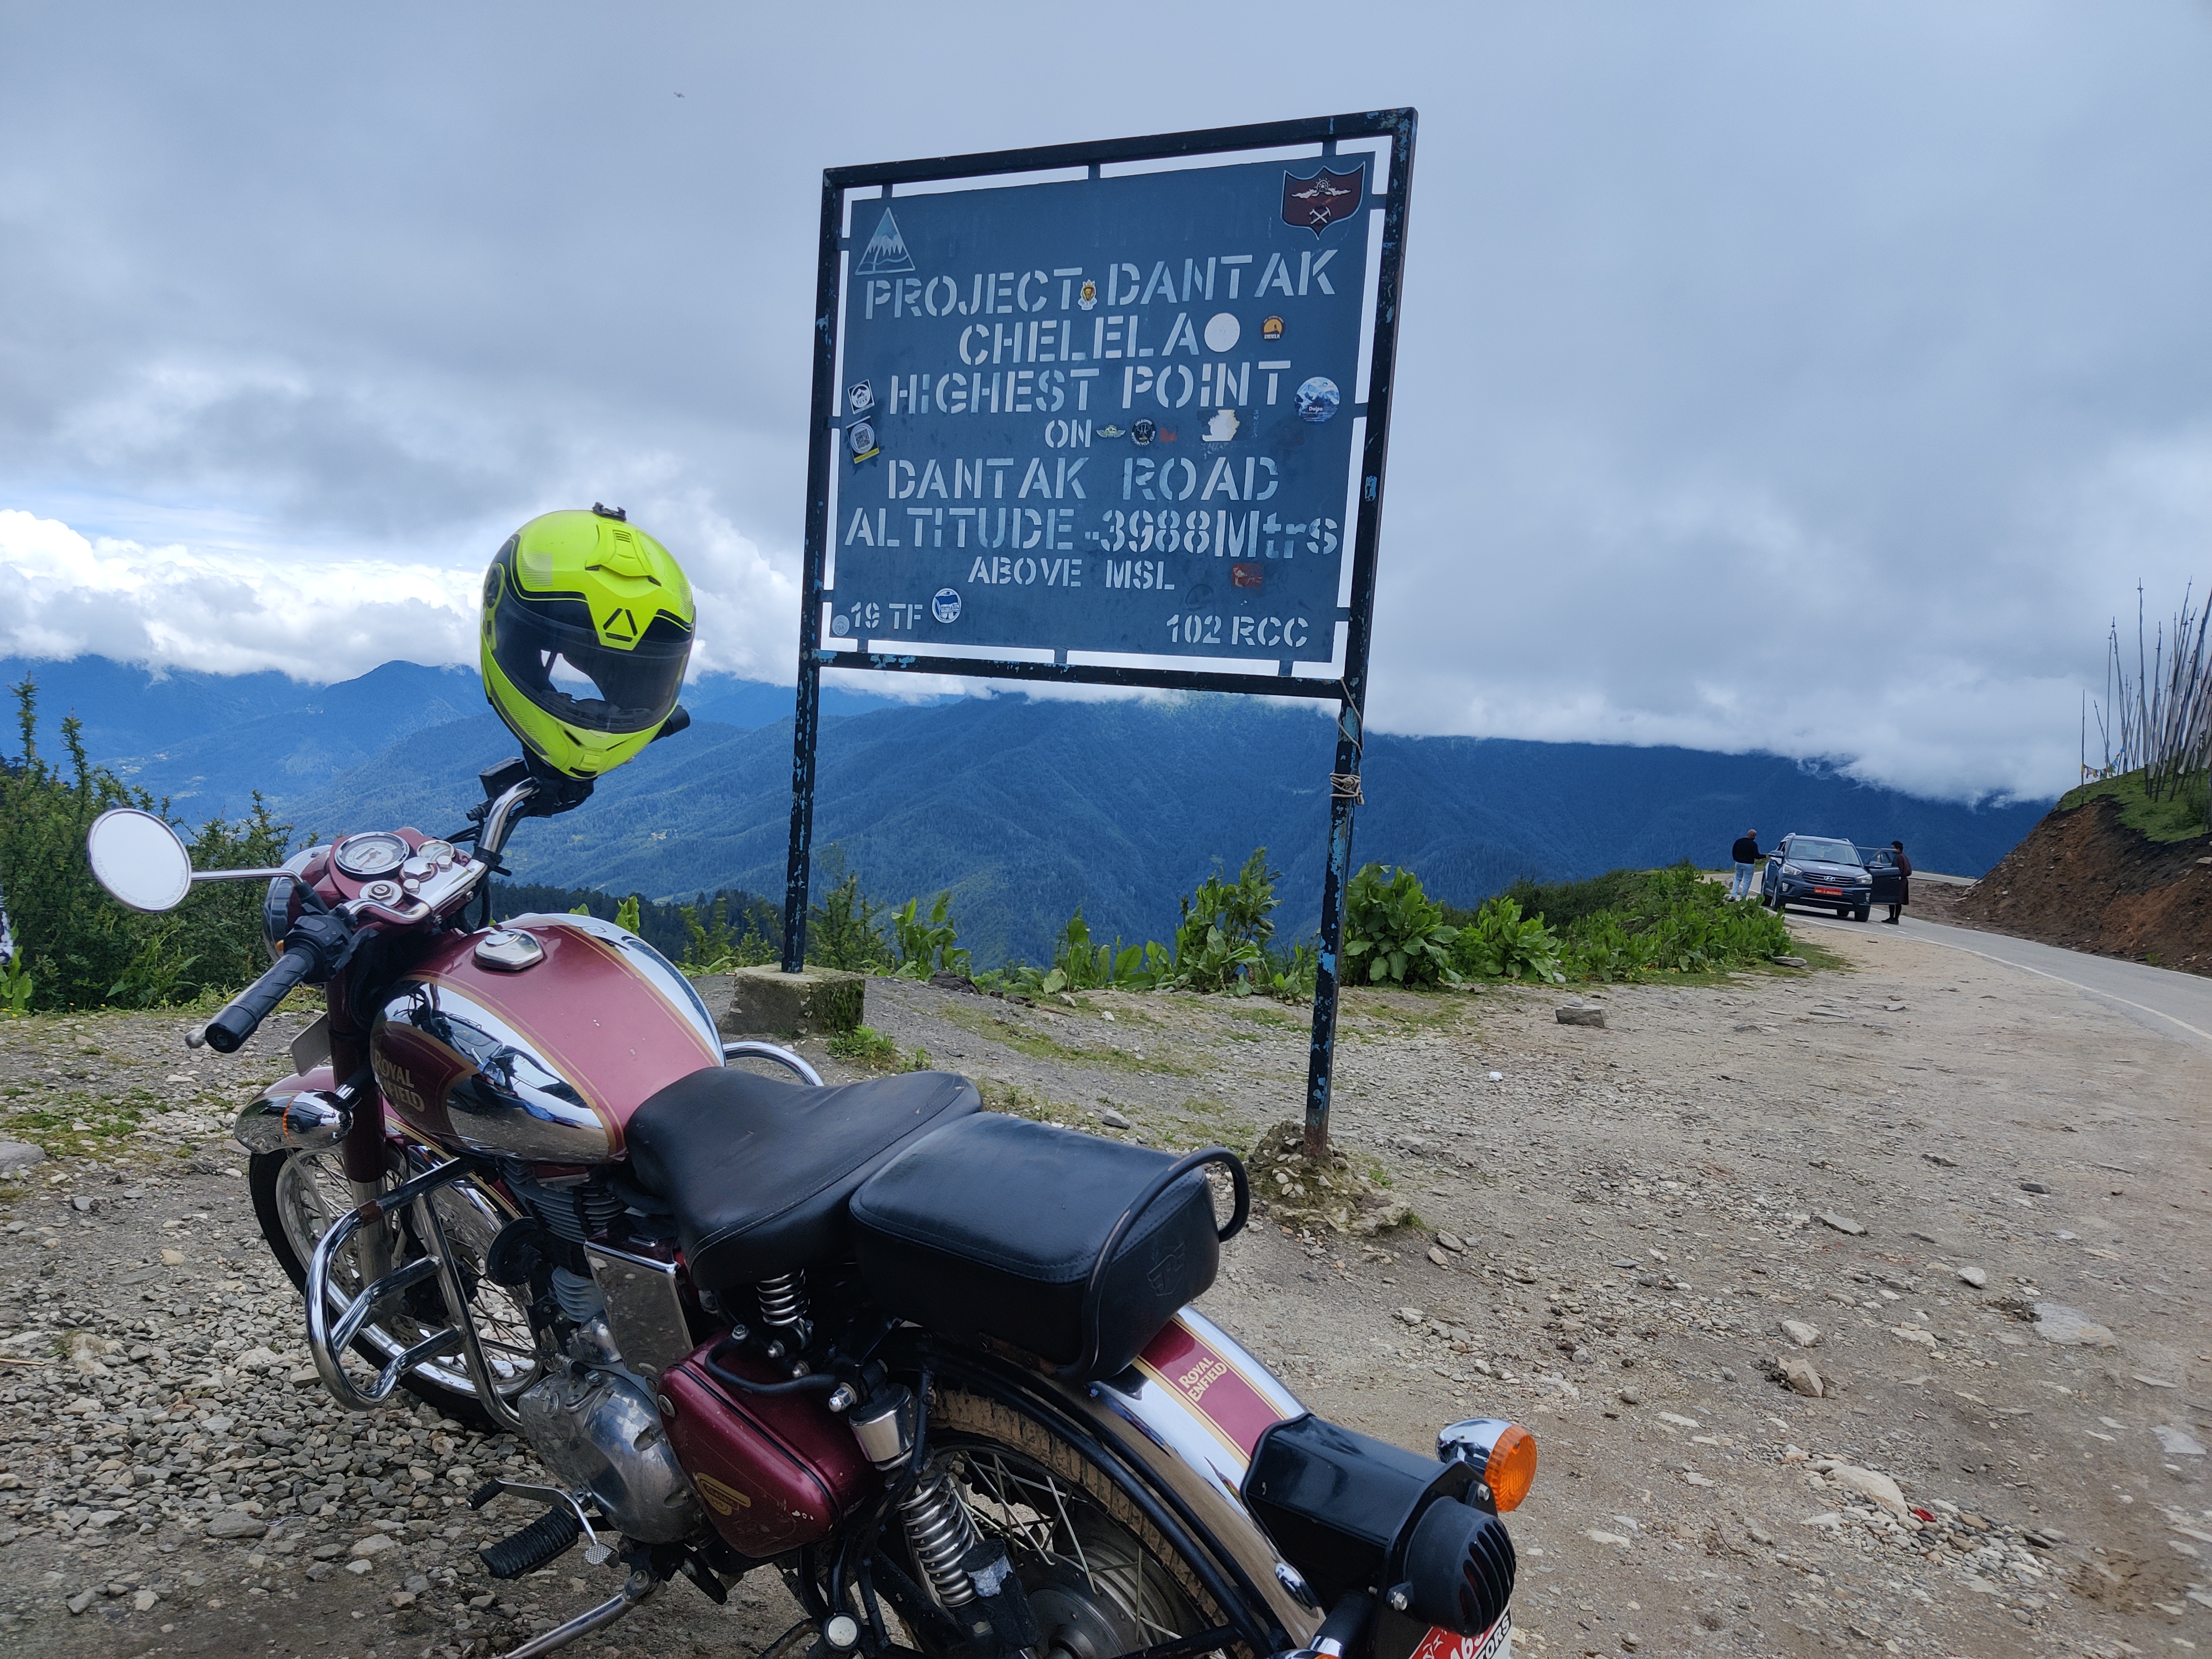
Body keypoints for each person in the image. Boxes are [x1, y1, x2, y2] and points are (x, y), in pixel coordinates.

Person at [1728, 829, 1761, 901]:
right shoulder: (1753, 844)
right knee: (1747, 881)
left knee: (1737, 879)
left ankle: (1733, 895)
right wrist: (1765, 856)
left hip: (1739, 863)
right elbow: (1757, 856)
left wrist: (1736, 859)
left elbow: (1734, 851)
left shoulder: (1739, 842)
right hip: (1749, 864)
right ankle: (1742, 898)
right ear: (1753, 836)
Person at [1884, 839, 1912, 924]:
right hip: (1902, 881)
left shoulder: (1899, 858)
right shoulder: (1904, 857)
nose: (1892, 850)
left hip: (1898, 882)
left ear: (1898, 849)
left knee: (1894, 900)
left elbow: (1898, 870)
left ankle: (1894, 919)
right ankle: (1893, 918)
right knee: (1897, 901)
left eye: (1893, 848)